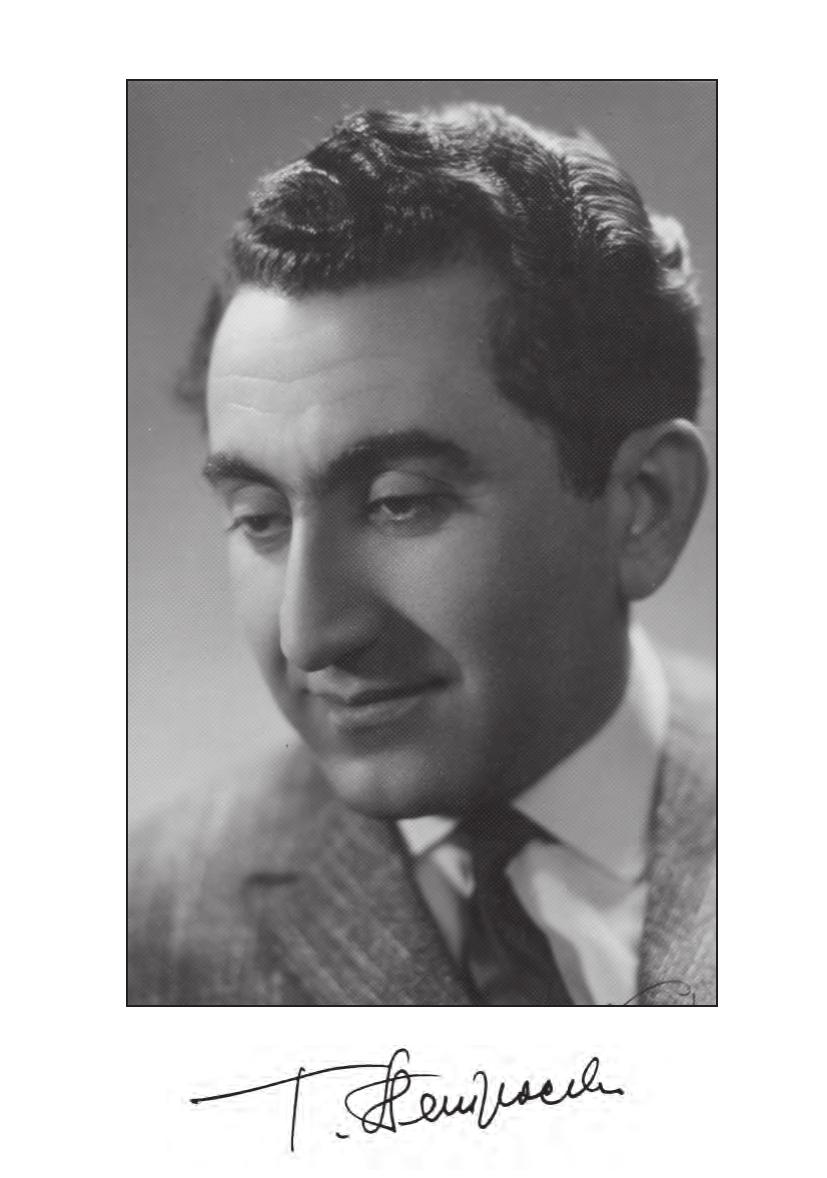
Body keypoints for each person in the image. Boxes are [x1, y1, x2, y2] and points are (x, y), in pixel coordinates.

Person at [128, 103, 715, 1006]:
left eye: (398, 503)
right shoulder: (142, 932)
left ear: (645, 506)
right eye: (260, 518)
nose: (310, 633)